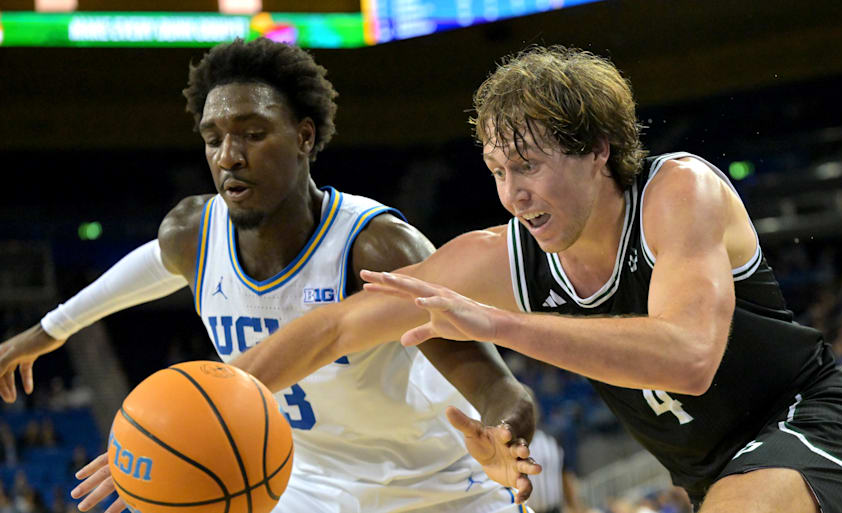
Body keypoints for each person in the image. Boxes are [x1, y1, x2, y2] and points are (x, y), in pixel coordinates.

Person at [191, 46, 842, 512]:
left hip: (811, 420)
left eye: (528, 165)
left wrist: (501, 324)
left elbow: (689, 358)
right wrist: (206, 406)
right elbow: (339, 325)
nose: (512, 193)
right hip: (708, 471)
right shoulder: (504, 254)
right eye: (497, 170)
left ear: (598, 149)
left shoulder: (680, 192)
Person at [0, 38, 539, 513]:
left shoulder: (376, 246)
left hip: (440, 488)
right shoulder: (193, 232)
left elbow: (497, 388)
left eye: (253, 134)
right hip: (307, 487)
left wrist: (505, 434)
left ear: (304, 136)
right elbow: (152, 264)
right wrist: (49, 330)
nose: (229, 157)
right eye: (213, 138)